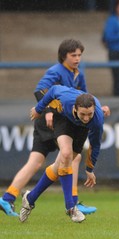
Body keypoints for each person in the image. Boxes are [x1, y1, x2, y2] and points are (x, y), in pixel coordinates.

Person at [0, 39, 108, 217]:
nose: (77, 58)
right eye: (73, 55)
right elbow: (41, 91)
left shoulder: (77, 74)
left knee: (45, 160)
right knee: (68, 157)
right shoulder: (55, 71)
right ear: (63, 56)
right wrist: (48, 111)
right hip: (50, 119)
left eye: (80, 55)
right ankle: (72, 203)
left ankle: (9, 196)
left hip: (67, 117)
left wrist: (99, 108)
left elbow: (85, 98)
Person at [20, 85, 105, 223]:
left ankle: (30, 198)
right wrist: (38, 109)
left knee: (59, 166)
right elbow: (53, 90)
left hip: (80, 130)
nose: (86, 117)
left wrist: (90, 168)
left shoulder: (96, 120)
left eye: (90, 114)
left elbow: (95, 145)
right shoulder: (66, 100)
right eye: (83, 114)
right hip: (63, 119)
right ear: (75, 108)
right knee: (66, 154)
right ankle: (71, 207)